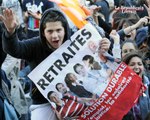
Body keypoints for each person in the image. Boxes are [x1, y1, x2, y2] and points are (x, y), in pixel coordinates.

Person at [0, 8, 72, 120]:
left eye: (58, 30)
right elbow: (15, 49)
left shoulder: (74, 44)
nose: (55, 36)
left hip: (72, 99)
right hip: (43, 103)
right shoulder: (35, 45)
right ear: (43, 32)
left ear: (65, 30)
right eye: (50, 31)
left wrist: (105, 45)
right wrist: (10, 32)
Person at [122, 51, 150, 120]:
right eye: (132, 64)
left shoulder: (148, 86)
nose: (136, 67)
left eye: (139, 64)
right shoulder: (120, 88)